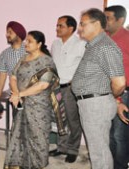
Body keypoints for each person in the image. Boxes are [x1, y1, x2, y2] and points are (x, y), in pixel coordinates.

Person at [72, 8, 126, 169]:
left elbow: (120, 83)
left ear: (96, 24)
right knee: (97, 149)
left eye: (82, 24)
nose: (79, 28)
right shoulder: (95, 45)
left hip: (96, 105)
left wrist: (110, 97)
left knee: (99, 151)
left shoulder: (105, 47)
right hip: (91, 103)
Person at [4, 31, 56, 169]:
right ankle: (18, 164)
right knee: (18, 134)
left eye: (30, 41)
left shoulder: (46, 61)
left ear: (39, 44)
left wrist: (19, 94)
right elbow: (13, 76)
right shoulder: (23, 58)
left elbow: (43, 85)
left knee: (37, 136)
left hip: (38, 105)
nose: (26, 43)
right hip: (20, 102)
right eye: (26, 40)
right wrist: (16, 94)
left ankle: (37, 165)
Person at [49, 15, 85, 163]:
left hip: (70, 89)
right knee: (59, 119)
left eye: (60, 26)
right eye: (57, 25)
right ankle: (61, 147)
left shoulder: (80, 44)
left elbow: (85, 65)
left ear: (71, 28)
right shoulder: (55, 43)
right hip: (55, 88)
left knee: (72, 120)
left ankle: (73, 149)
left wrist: (75, 80)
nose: (57, 28)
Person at [104, 5, 129, 169]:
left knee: (120, 136)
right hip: (107, 91)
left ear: (120, 20)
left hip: (123, 92)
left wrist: (119, 96)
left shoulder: (127, 39)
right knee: (110, 134)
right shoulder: (104, 37)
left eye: (108, 18)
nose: (104, 21)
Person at [0, 21, 27, 98]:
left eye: (10, 32)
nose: (7, 35)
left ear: (18, 34)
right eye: (7, 32)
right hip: (14, 93)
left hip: (32, 93)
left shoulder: (30, 50)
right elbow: (2, 75)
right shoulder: (4, 54)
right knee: (17, 109)